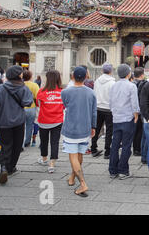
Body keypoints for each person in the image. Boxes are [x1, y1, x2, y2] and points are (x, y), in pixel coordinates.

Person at [0, 66, 33, 185]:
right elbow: (28, 102)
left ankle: (3, 167)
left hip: (4, 121)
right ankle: (11, 168)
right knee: (16, 145)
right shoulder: (23, 88)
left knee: (5, 145)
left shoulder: (0, 88)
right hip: (19, 121)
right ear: (18, 75)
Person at [61, 67, 97, 197]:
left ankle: (82, 183)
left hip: (71, 128)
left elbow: (65, 105)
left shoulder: (65, 92)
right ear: (86, 77)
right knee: (79, 154)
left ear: (73, 77)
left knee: (73, 156)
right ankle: (72, 177)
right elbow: (94, 112)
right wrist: (93, 126)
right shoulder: (91, 92)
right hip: (85, 127)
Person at [108, 64, 140, 180]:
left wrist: (114, 113)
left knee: (115, 144)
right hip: (128, 118)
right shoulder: (131, 86)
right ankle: (123, 170)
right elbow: (134, 103)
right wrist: (136, 115)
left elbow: (110, 103)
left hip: (116, 118)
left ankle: (112, 170)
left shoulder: (113, 86)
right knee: (126, 145)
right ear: (128, 74)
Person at [36, 70, 64, 174]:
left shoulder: (41, 91)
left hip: (43, 120)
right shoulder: (62, 92)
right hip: (57, 120)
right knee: (55, 141)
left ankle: (44, 159)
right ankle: (52, 164)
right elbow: (64, 106)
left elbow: (38, 104)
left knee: (43, 140)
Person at [92, 63, 116, 158]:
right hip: (109, 109)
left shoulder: (97, 81)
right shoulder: (113, 83)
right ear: (111, 71)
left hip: (98, 107)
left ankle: (93, 148)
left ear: (102, 71)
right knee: (109, 130)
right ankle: (107, 151)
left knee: (96, 128)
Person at [23, 70, 39, 148]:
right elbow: (37, 97)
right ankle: (27, 141)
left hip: (21, 107)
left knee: (20, 126)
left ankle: (20, 140)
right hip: (31, 107)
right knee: (29, 125)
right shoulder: (34, 85)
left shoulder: (20, 84)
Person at [133, 67, 147, 157]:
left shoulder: (131, 83)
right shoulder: (144, 84)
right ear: (142, 75)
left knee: (135, 130)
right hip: (141, 110)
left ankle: (135, 149)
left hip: (132, 110)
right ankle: (138, 149)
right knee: (140, 131)